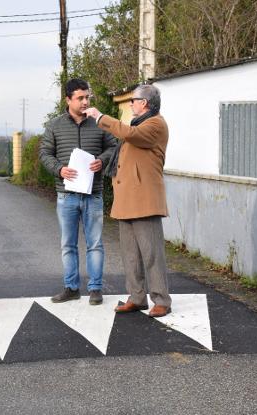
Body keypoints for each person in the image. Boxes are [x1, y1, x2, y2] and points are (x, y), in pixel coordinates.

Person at [83, 84, 172, 317]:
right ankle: (137, 297)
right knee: (130, 255)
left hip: (145, 200)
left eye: (133, 100)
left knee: (152, 254)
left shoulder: (155, 124)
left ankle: (161, 299)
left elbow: (131, 136)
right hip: (127, 200)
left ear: (145, 103)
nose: (131, 103)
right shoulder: (137, 123)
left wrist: (101, 117)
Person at [39, 78, 117, 305]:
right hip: (66, 195)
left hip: (93, 194)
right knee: (68, 244)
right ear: (68, 99)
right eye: (80, 98)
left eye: (87, 97)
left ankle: (95, 289)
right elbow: (45, 154)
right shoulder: (54, 125)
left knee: (95, 243)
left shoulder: (99, 122)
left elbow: (113, 147)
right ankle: (71, 287)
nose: (85, 102)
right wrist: (59, 169)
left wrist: (102, 161)